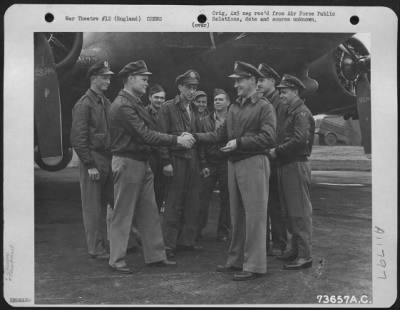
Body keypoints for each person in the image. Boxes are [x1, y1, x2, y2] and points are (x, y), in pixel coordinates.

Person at [107, 60, 195, 273]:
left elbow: (153, 129)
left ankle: (156, 255)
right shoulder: (123, 105)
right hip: (128, 162)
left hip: (140, 161)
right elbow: (145, 134)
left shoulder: (133, 102)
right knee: (123, 212)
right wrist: (177, 141)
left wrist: (175, 137)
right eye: (143, 79)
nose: (147, 83)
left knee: (149, 211)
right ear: (130, 79)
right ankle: (116, 259)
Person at [194, 61, 276, 281]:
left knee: (255, 216)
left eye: (240, 80)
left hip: (253, 162)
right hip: (234, 164)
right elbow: (220, 134)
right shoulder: (235, 106)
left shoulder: (264, 106)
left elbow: (269, 137)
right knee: (236, 215)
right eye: (235, 81)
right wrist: (195, 137)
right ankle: (236, 260)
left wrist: (239, 143)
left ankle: (255, 265)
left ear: (252, 80)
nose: (236, 84)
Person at [269, 74, 315, 270]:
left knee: (300, 213)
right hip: (286, 165)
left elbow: (300, 140)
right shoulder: (290, 111)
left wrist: (277, 150)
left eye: (284, 91)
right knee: (289, 211)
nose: (281, 95)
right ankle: (294, 250)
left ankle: (304, 255)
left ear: (295, 92)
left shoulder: (301, 113)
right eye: (279, 91)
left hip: (295, 164)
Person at [71, 60, 114, 260]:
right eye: (104, 77)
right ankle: (96, 248)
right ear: (94, 78)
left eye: (109, 77)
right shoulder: (84, 104)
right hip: (94, 159)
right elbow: (78, 139)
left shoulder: (105, 101)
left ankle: (111, 243)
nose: (108, 81)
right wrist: (89, 165)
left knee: (111, 203)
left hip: (107, 157)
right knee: (93, 207)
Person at [158, 70, 204, 259]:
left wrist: (203, 163)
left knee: (192, 202)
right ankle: (168, 245)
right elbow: (160, 136)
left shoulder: (194, 109)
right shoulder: (167, 108)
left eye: (194, 88)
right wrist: (166, 162)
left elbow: (198, 137)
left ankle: (187, 241)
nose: (192, 91)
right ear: (180, 87)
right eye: (188, 87)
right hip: (176, 160)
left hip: (192, 161)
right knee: (173, 203)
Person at [256, 63, 287, 256]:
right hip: (267, 157)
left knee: (276, 203)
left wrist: (275, 151)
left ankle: (279, 243)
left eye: (262, 80)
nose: (258, 84)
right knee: (267, 203)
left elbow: (281, 131)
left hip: (275, 159)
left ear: (273, 82)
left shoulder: (279, 103)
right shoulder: (265, 101)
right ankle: (269, 243)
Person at [196, 89, 231, 242]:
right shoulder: (204, 121)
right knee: (202, 198)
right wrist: (203, 163)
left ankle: (223, 231)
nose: (217, 102)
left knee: (227, 198)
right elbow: (201, 145)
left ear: (228, 102)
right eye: (215, 99)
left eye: (220, 99)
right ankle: (198, 229)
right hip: (209, 163)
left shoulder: (233, 119)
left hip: (227, 162)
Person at [146, 84, 167, 211]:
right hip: (150, 156)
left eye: (162, 98)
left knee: (161, 189)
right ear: (150, 98)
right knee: (148, 190)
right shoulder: (143, 113)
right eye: (156, 97)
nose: (159, 100)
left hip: (164, 157)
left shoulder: (166, 114)